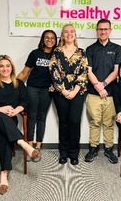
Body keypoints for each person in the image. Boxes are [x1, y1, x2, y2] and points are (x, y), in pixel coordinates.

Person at [0, 55, 40, 195]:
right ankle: (23, 143)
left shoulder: (18, 84)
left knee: (4, 134)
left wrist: (15, 111)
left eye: (8, 65)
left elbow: (24, 103)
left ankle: (4, 174)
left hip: (8, 121)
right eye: (1, 66)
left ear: (12, 67)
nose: (5, 68)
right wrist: (0, 109)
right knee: (1, 118)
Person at [85, 19, 121, 164]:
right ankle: (93, 148)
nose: (103, 31)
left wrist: (104, 84)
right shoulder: (90, 49)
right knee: (95, 122)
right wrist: (98, 86)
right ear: (96, 30)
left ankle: (108, 149)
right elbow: (88, 71)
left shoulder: (117, 48)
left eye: (106, 29)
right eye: (100, 29)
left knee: (108, 123)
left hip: (111, 93)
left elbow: (117, 70)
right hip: (93, 93)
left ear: (110, 30)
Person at [49, 24, 88, 165]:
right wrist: (64, 91)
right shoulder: (56, 52)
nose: (69, 34)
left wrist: (75, 91)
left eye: (72, 31)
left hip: (78, 92)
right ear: (63, 35)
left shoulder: (81, 53)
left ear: (75, 35)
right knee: (64, 122)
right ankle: (63, 153)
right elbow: (54, 73)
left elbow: (84, 73)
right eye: (66, 32)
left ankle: (74, 153)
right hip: (60, 93)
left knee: (75, 122)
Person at [17, 30, 57, 162]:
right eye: (47, 37)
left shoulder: (57, 54)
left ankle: (38, 147)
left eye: (52, 38)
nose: (49, 40)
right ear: (42, 39)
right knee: (31, 117)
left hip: (47, 90)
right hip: (32, 88)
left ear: (55, 40)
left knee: (41, 117)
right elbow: (24, 73)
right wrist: (13, 85)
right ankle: (30, 147)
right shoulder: (35, 54)